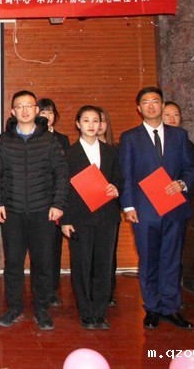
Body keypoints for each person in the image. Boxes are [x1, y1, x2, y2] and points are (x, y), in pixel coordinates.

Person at [119, 87, 194, 330]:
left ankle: (171, 307)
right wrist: (128, 206)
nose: (151, 106)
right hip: (144, 210)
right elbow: (125, 174)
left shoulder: (179, 135)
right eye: (146, 102)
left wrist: (182, 183)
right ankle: (152, 307)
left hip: (174, 207)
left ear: (163, 105)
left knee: (172, 259)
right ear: (139, 108)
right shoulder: (130, 137)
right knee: (148, 259)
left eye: (155, 101)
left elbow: (191, 167)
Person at [0, 90, 68, 331]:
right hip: (12, 211)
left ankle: (41, 308)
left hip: (42, 211)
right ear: (13, 111)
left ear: (36, 110)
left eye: (29, 106)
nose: (24, 110)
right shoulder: (3, 141)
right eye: (19, 106)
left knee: (43, 263)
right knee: (13, 262)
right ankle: (14, 307)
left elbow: (61, 174)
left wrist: (58, 204)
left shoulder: (49, 140)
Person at [60, 106, 123, 330]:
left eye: (95, 120)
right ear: (78, 124)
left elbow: (120, 178)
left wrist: (116, 188)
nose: (91, 125)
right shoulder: (68, 154)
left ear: (101, 124)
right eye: (86, 120)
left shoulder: (111, 152)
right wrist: (65, 219)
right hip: (79, 218)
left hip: (107, 216)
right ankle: (86, 312)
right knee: (82, 265)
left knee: (104, 265)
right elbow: (62, 189)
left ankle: (100, 312)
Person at [37, 97, 70, 308]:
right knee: (38, 249)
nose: (46, 116)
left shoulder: (62, 139)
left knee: (54, 248)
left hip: (55, 202)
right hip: (35, 201)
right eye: (43, 112)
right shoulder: (30, 137)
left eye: (50, 112)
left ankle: (51, 290)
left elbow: (64, 172)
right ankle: (38, 288)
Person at [97, 106, 121, 307]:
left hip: (109, 208)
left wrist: (117, 188)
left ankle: (107, 292)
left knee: (109, 253)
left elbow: (123, 176)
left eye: (101, 121)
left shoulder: (116, 150)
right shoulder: (78, 150)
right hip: (87, 209)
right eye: (92, 120)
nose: (97, 125)